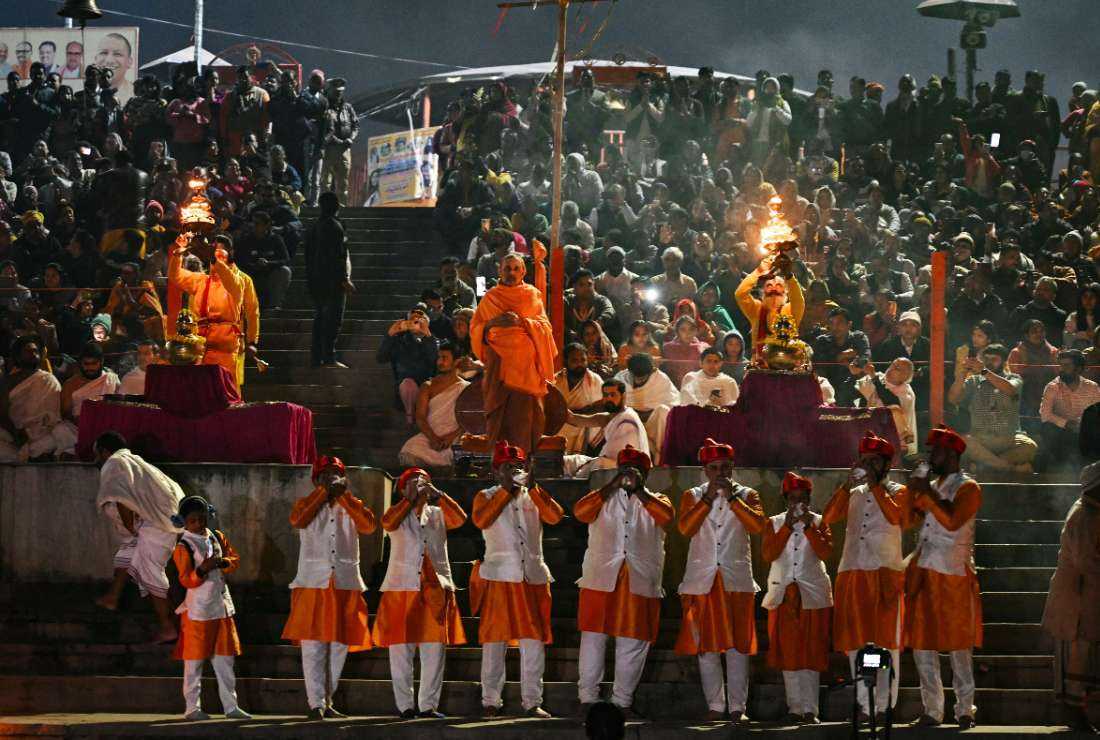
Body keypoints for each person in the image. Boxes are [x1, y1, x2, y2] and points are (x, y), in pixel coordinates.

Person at [574, 446, 673, 716]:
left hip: (639, 580)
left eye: (636, 471)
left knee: (633, 642)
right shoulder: (602, 496)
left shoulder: (657, 499)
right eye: (624, 470)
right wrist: (613, 485)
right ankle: (587, 699)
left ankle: (622, 703)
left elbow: (667, 518)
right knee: (593, 639)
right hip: (600, 578)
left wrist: (639, 490)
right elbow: (580, 513)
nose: (629, 475)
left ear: (646, 474)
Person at [471, 441, 564, 718]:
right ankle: (490, 701)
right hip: (499, 576)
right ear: (496, 471)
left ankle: (532, 701)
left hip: (532, 577)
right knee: (494, 642)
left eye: (519, 467)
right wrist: (505, 491)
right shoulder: (485, 495)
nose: (514, 471)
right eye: (508, 467)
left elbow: (556, 516)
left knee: (533, 641)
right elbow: (481, 521)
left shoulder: (533, 495)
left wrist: (532, 487)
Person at [675, 438, 766, 722]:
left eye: (725, 467)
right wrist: (707, 499)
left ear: (732, 468)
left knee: (738, 647)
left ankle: (738, 708)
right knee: (706, 648)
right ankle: (715, 706)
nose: (720, 473)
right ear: (705, 471)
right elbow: (685, 529)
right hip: (701, 580)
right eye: (714, 468)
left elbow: (757, 525)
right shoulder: (692, 494)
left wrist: (732, 498)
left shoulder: (748, 494)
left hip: (735, 579)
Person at [281, 455, 376, 720]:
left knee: (339, 645)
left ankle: (327, 700)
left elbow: (368, 526)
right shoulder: (306, 503)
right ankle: (315, 703)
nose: (332, 478)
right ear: (317, 479)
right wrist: (324, 492)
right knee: (313, 645)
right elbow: (298, 520)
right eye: (326, 474)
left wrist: (343, 495)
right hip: (313, 582)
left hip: (345, 582)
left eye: (336, 473)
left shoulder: (352, 504)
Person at [822, 432, 908, 723]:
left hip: (884, 572)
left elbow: (898, 518)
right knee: (856, 642)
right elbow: (828, 517)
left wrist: (875, 486)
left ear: (886, 464)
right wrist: (848, 485)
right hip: (852, 571)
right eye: (865, 461)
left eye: (875, 462)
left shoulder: (898, 490)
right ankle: (863, 703)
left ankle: (884, 705)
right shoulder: (853, 493)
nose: (869, 466)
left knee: (886, 642)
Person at [904, 426, 983, 729]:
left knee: (959, 646)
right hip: (925, 569)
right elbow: (910, 520)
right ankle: (932, 710)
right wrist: (914, 491)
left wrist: (926, 491)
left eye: (934, 451)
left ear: (951, 454)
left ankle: (965, 709)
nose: (929, 457)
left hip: (953, 574)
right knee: (923, 645)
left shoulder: (969, 487)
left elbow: (951, 520)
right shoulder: (932, 485)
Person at [374, 468, 467, 719]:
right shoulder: (396, 513)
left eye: (423, 481)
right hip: (401, 588)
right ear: (402, 489)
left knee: (434, 650)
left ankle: (428, 705)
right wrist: (409, 500)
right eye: (412, 483)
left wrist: (439, 495)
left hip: (435, 589)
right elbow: (387, 523)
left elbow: (460, 519)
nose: (419, 486)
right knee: (401, 650)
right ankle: (405, 706)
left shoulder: (437, 513)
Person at [93, 431, 184, 643]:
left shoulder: (114, 462)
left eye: (97, 454)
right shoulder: (137, 463)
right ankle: (113, 597)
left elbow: (121, 497)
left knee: (151, 574)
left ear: (104, 451)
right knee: (129, 552)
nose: (96, 460)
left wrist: (131, 528)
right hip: (166, 520)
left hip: (155, 525)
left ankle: (167, 627)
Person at [171, 495, 251, 721]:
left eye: (202, 519)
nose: (198, 524)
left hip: (222, 608)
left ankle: (231, 706)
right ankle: (192, 708)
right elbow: (186, 579)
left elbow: (233, 558)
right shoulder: (183, 546)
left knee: (225, 660)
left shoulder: (217, 537)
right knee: (194, 662)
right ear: (184, 522)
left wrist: (224, 562)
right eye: (193, 520)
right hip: (199, 611)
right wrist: (203, 569)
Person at [762, 472, 833, 725]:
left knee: (811, 651)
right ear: (786, 501)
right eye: (793, 499)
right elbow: (768, 554)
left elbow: (825, 551)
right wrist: (788, 527)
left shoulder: (820, 522)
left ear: (809, 500)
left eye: (802, 499)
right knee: (789, 652)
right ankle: (794, 707)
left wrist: (809, 526)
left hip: (812, 594)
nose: (797, 504)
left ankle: (810, 709)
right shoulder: (774, 523)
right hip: (783, 594)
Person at [470, 253, 557, 455]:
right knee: (498, 425)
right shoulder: (490, 297)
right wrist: (493, 323)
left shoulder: (532, 295)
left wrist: (523, 322)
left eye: (516, 268)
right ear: (500, 271)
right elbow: (475, 328)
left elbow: (545, 327)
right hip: (498, 370)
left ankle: (523, 469)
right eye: (507, 268)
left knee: (523, 425)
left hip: (526, 372)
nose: (511, 273)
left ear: (523, 272)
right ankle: (499, 471)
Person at [1041, 461, 1100, 734]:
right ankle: (1075, 713)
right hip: (1076, 600)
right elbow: (1086, 560)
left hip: (1085, 597)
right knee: (1078, 654)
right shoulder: (1084, 515)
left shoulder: (1092, 512)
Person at [168, 233, 251, 389]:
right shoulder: (201, 280)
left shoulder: (237, 282)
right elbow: (175, 276)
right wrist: (178, 253)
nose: (216, 260)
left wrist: (213, 258)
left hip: (224, 345)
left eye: (220, 256)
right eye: (214, 256)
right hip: (199, 343)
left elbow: (228, 278)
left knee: (225, 389)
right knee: (199, 389)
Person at [949, 344, 1037, 474]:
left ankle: (984, 466)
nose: (989, 362)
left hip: (1008, 439)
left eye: (994, 359)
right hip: (981, 439)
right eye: (987, 359)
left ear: (1004, 362)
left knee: (1030, 446)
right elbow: (953, 399)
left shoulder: (1014, 378)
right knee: (963, 442)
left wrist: (984, 371)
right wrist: (962, 373)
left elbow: (1010, 389)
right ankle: (1008, 468)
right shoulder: (973, 381)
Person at [398, 342, 469, 468]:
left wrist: (452, 436)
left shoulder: (467, 388)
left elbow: (471, 420)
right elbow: (420, 417)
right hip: (430, 435)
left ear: (456, 362)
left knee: (463, 451)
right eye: (439, 357)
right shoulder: (428, 386)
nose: (439, 362)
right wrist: (433, 438)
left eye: (444, 358)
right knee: (409, 449)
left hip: (455, 437)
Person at [0, 335, 68, 462]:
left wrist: (35, 432)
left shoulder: (48, 380)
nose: (33, 354)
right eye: (28, 351)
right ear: (18, 356)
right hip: (13, 435)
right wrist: (16, 432)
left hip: (42, 434)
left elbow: (54, 417)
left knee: (64, 433)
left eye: (35, 351)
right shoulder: (7, 382)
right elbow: (2, 412)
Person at [563, 378, 648, 478]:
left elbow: (615, 458)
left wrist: (586, 466)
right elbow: (576, 419)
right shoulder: (607, 417)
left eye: (613, 395)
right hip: (607, 462)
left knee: (600, 464)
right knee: (566, 461)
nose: (608, 399)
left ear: (623, 396)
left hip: (626, 470)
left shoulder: (627, 419)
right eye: (605, 395)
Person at [735, 253, 805, 362]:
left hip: (787, 365)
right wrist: (762, 269)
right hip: (760, 366)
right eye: (769, 286)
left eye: (778, 286)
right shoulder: (757, 309)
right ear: (762, 292)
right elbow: (740, 294)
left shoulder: (789, 309)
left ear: (785, 291)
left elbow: (798, 300)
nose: (774, 290)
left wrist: (789, 276)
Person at [377, 305, 439, 426]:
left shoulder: (434, 341)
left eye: (418, 320)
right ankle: (410, 414)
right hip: (405, 386)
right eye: (412, 320)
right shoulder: (399, 341)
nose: (414, 323)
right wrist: (390, 335)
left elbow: (435, 361)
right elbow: (381, 358)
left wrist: (427, 335)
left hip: (427, 387)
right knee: (408, 384)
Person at [1039, 350, 1100, 471]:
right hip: (1063, 433)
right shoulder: (1052, 387)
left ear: (1078, 369)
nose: (1061, 369)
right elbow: (1045, 415)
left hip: (1086, 432)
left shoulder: (1092, 387)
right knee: (1048, 429)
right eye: (1060, 365)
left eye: (1066, 366)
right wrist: (1067, 423)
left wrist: (1083, 425)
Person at [613, 353, 680, 463]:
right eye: (635, 377)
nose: (638, 380)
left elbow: (674, 404)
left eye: (642, 377)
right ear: (628, 371)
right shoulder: (620, 379)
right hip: (629, 424)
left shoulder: (660, 379)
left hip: (653, 425)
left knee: (663, 411)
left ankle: (660, 461)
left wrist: (644, 414)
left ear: (652, 371)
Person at [57, 342, 120, 456]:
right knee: (60, 430)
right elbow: (65, 413)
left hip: (105, 429)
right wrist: (83, 422)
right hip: (77, 430)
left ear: (101, 362)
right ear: (80, 364)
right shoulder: (70, 384)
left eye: (94, 363)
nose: (90, 368)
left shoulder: (112, 380)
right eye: (86, 364)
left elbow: (119, 408)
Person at [856, 357, 918, 457]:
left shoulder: (906, 392)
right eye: (892, 364)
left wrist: (873, 377)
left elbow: (890, 402)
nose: (891, 368)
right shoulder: (875, 378)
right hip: (869, 425)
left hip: (892, 433)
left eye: (897, 368)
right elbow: (852, 393)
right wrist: (855, 373)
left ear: (905, 376)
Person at [554, 343, 605, 454]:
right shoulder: (556, 380)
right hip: (558, 433)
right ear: (565, 362)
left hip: (584, 432)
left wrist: (574, 416)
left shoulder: (595, 381)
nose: (580, 364)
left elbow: (601, 406)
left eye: (583, 360)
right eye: (574, 360)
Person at [235, 210, 291, 310]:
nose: (253, 226)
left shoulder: (276, 239)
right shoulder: (245, 240)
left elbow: (285, 259)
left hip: (270, 274)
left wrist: (269, 263)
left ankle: (275, 305)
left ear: (267, 225)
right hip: (251, 274)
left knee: (285, 271)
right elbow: (239, 260)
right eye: (252, 223)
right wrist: (253, 265)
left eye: (257, 224)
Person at [319, 78, 358, 204]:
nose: (338, 94)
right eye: (335, 92)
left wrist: (351, 138)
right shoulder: (324, 107)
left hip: (344, 150)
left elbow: (355, 125)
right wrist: (337, 141)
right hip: (329, 149)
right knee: (325, 183)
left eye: (340, 92)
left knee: (343, 183)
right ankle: (324, 208)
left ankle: (342, 209)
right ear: (329, 91)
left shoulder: (348, 108)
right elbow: (324, 130)